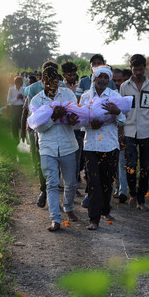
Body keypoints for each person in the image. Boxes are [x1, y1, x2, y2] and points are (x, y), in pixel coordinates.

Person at [29, 66, 80, 232]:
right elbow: (39, 129)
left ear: (58, 81)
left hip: (68, 145)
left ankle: (68, 208)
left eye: (55, 82)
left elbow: (77, 121)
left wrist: (73, 119)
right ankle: (55, 219)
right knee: (52, 184)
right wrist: (53, 117)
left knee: (71, 182)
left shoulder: (68, 94)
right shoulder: (36, 101)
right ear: (43, 82)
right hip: (47, 148)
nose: (53, 85)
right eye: (49, 82)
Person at [80, 65, 126, 230]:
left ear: (109, 80)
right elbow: (80, 123)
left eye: (106, 78)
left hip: (109, 146)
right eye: (100, 77)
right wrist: (89, 123)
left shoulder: (114, 96)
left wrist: (117, 111)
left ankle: (105, 210)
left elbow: (122, 122)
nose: (103, 80)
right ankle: (94, 219)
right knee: (93, 183)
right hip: (91, 146)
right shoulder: (86, 97)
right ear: (94, 78)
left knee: (107, 183)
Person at [120, 54, 149, 211]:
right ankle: (132, 193)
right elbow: (121, 110)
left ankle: (141, 200)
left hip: (146, 131)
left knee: (145, 167)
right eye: (134, 69)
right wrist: (120, 130)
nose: (137, 72)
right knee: (131, 166)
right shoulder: (124, 87)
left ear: (145, 68)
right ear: (131, 68)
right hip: (129, 131)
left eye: (140, 69)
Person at [21, 61, 59, 208]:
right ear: (42, 77)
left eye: (54, 74)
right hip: (40, 129)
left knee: (55, 162)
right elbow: (28, 109)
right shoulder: (33, 90)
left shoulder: (62, 91)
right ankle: (44, 190)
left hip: (58, 131)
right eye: (48, 75)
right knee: (44, 161)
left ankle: (48, 190)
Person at [60, 61, 83, 197]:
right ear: (63, 75)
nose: (73, 77)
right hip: (64, 128)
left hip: (77, 128)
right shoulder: (60, 87)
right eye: (70, 75)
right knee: (65, 158)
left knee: (77, 158)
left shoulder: (77, 87)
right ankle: (66, 185)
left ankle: (73, 185)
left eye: (74, 74)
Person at [111, 68, 128, 203]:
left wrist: (121, 132)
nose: (117, 83)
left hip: (124, 132)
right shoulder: (109, 95)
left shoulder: (125, 94)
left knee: (122, 162)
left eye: (119, 80)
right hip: (110, 134)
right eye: (114, 80)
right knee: (114, 162)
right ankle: (116, 187)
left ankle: (123, 190)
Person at [7, 75, 26, 143]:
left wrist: (22, 98)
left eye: (20, 82)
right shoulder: (11, 89)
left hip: (21, 107)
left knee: (22, 123)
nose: (19, 83)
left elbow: (25, 101)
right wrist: (16, 98)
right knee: (14, 124)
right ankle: (15, 139)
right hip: (13, 107)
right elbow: (8, 100)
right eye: (18, 82)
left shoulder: (24, 89)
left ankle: (23, 138)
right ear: (15, 82)